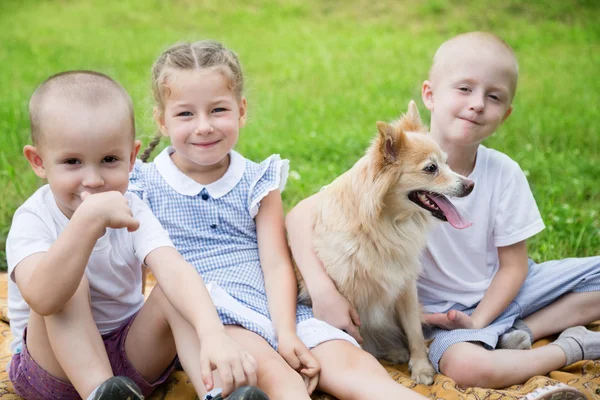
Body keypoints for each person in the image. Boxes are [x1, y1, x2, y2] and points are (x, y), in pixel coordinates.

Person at [285, 32, 600, 396]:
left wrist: (482, 318)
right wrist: (324, 291)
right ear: (430, 94)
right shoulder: (386, 167)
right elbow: (297, 216)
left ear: (507, 113)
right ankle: (573, 346)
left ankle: (521, 330)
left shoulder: (504, 172)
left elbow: (515, 266)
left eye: (493, 96)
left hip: (510, 291)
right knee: (466, 365)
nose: (477, 104)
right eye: (464, 89)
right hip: (444, 319)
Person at [130, 40, 427, 400]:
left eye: (218, 110)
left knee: (354, 366)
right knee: (276, 377)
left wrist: (286, 332)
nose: (204, 126)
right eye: (185, 114)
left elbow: (274, 264)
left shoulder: (258, 180)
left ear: (241, 111)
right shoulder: (145, 183)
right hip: (211, 310)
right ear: (162, 120)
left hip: (276, 306)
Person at [6, 70, 266, 400]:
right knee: (69, 283)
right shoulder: (34, 218)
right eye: (72, 162)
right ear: (39, 161)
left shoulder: (133, 208)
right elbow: (43, 298)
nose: (94, 179)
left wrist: (213, 332)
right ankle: (100, 392)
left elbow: (173, 269)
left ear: (131, 158)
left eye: (109, 160)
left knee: (173, 292)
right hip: (50, 369)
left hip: (130, 359)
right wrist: (87, 222)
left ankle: (217, 393)